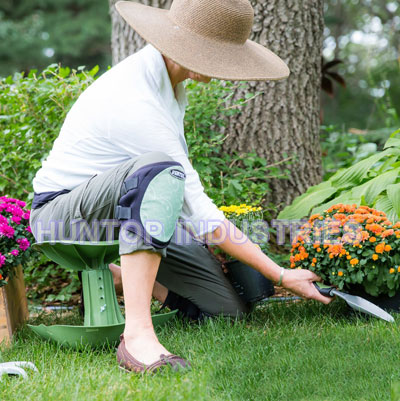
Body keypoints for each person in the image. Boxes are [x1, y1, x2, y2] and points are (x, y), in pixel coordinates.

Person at [30, 0, 331, 373]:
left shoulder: (170, 85)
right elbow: (195, 206)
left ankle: (129, 275)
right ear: (186, 49)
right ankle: (137, 335)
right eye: (218, 55)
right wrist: (281, 274)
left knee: (225, 311)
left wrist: (209, 239)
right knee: (159, 167)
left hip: (126, 213)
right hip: (64, 217)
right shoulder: (136, 101)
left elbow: (181, 202)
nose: (224, 68)